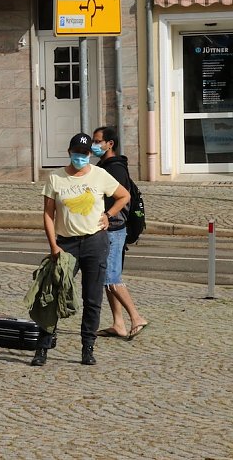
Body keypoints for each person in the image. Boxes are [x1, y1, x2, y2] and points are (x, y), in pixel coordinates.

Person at [33, 132, 130, 367]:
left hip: (95, 242)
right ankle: (43, 346)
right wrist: (53, 245)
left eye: (85, 153)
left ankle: (88, 347)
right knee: (53, 295)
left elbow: (124, 196)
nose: (81, 156)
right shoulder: (56, 177)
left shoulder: (99, 175)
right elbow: (48, 214)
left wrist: (109, 215)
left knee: (92, 298)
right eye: (77, 152)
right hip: (66, 244)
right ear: (69, 152)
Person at [92, 126, 149, 340]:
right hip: (108, 228)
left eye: (97, 141)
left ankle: (136, 317)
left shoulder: (115, 170)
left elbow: (121, 198)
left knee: (111, 277)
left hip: (114, 229)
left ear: (110, 144)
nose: (94, 145)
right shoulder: (105, 166)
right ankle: (118, 324)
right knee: (109, 278)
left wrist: (107, 215)